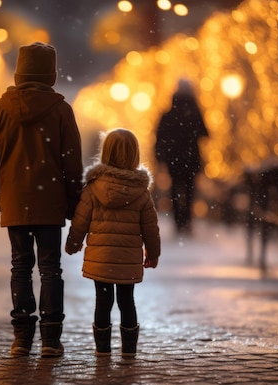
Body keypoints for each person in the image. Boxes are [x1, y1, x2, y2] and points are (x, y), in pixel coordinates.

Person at [0, 42, 83, 358]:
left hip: (16, 202)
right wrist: (72, 200)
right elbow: (72, 162)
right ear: (50, 74)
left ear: (19, 72)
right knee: (51, 268)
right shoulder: (61, 110)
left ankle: (21, 337)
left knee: (20, 267)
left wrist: (5, 189)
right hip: (50, 202)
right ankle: (51, 337)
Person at [65, 128, 161, 357]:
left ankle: (103, 348)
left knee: (103, 301)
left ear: (105, 153)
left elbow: (80, 221)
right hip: (127, 259)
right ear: (135, 155)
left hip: (101, 259)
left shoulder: (92, 189)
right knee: (127, 301)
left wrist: (73, 243)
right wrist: (153, 252)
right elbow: (150, 226)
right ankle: (128, 349)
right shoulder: (141, 192)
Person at [155, 80, 208, 233]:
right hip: (191, 159)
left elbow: (160, 137)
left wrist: (160, 157)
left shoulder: (168, 114)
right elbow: (205, 133)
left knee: (174, 190)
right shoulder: (195, 113)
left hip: (174, 160)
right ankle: (187, 221)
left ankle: (178, 221)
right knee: (190, 190)